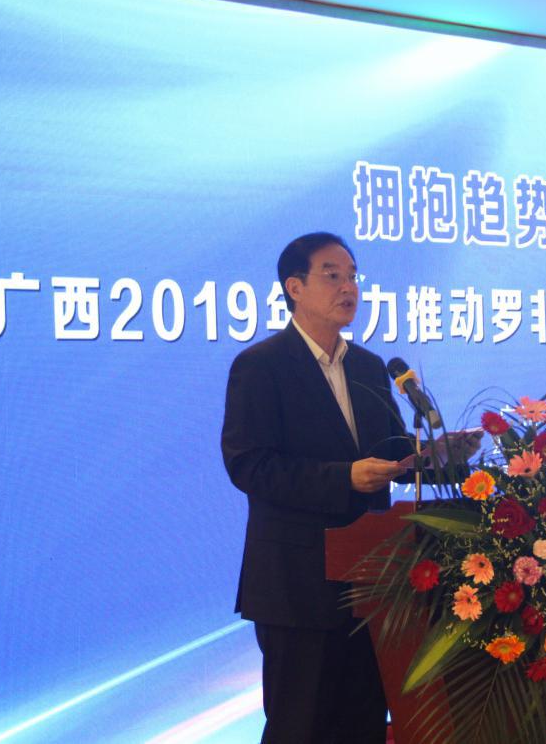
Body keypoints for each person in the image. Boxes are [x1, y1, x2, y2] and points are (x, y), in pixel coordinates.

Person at [221, 232, 411, 743]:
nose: (348, 287)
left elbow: (393, 451)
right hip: (296, 585)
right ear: (295, 287)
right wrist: (343, 476)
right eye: (332, 275)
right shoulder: (261, 366)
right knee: (300, 728)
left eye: (352, 276)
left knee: (363, 725)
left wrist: (439, 455)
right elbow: (250, 466)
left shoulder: (368, 367)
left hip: (371, 581)